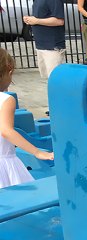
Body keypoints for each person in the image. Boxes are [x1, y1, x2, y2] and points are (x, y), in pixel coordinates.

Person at [0, 49, 54, 188]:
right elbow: (6, 131)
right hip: (4, 163)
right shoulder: (6, 100)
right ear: (9, 71)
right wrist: (37, 152)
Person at [23, 0, 66, 80]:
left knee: (54, 79)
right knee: (47, 78)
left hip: (52, 46)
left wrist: (36, 21)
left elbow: (59, 21)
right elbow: (41, 17)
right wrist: (31, 19)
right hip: (40, 45)